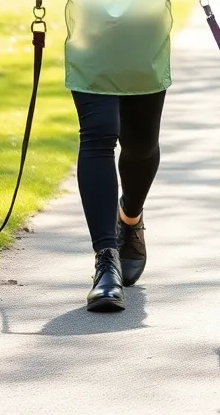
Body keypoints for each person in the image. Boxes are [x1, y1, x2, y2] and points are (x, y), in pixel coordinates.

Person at [75, 90, 165, 311]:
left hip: (142, 56)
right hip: (89, 56)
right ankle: (107, 260)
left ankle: (130, 217)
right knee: (97, 132)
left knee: (142, 144)